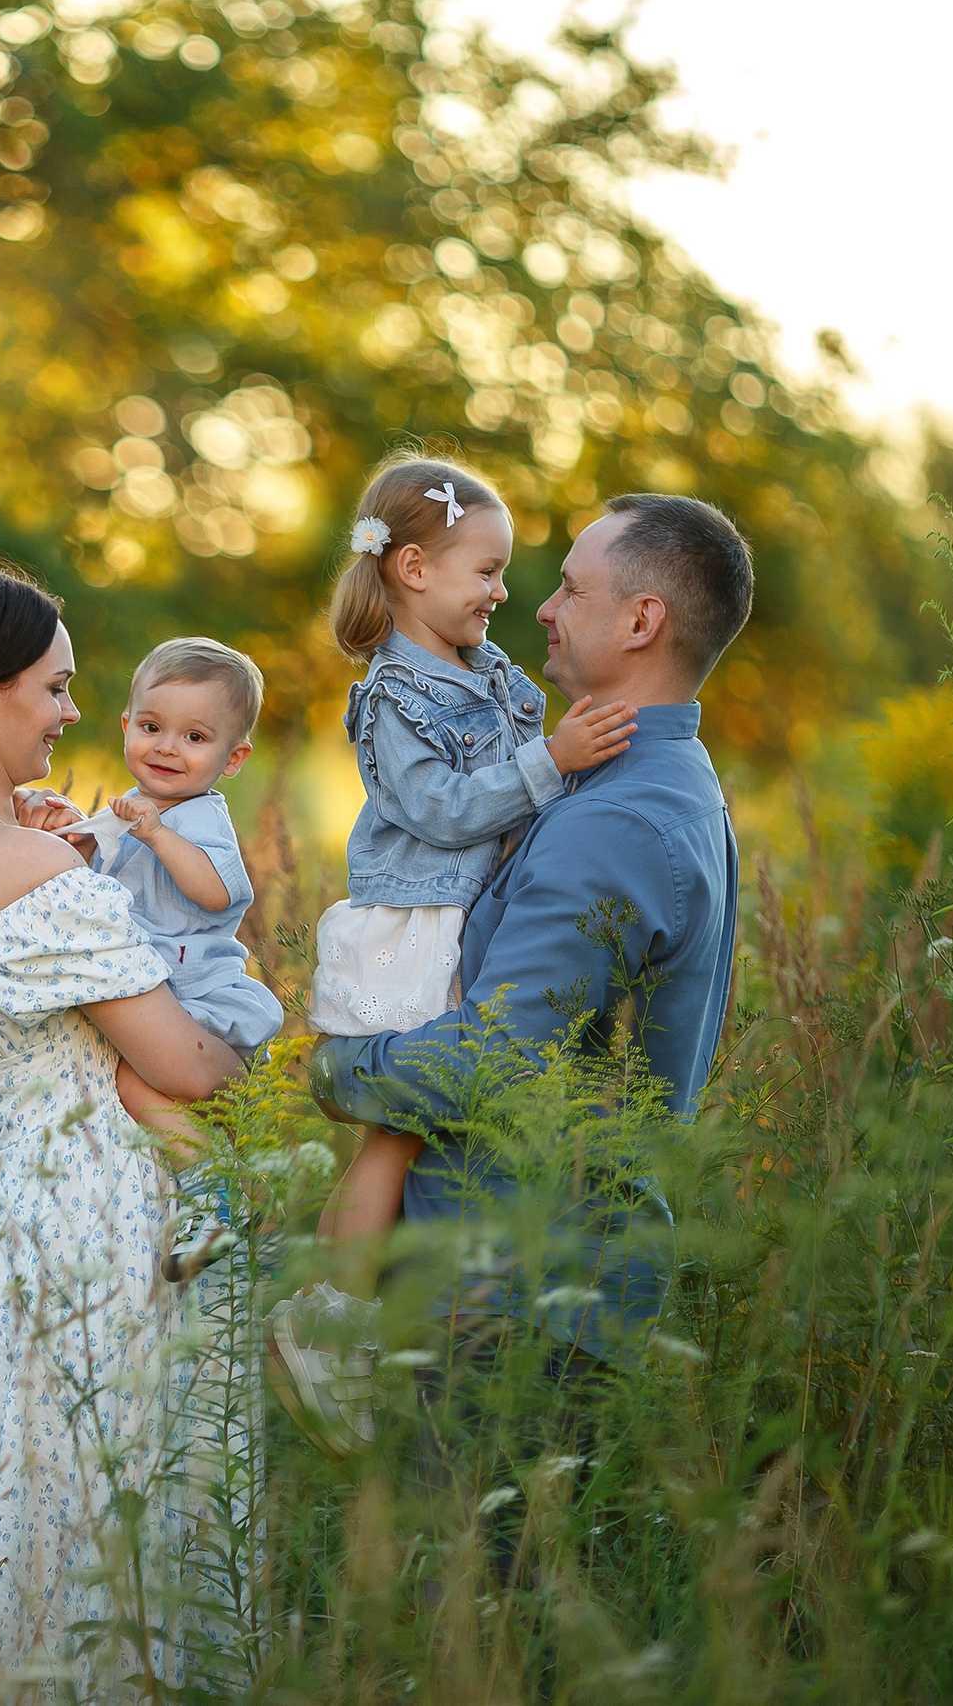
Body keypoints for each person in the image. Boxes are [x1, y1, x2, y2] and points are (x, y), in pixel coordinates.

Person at [0, 564, 246, 1705]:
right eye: (56, 688)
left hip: (15, 1221)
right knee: (111, 1519)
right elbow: (180, 1066)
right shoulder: (32, 872)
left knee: (23, 1510)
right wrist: (247, 1044)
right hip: (105, 1223)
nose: (74, 714)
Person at [302, 493, 752, 1435]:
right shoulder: (634, 782)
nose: (541, 606)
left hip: (515, 1302)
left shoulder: (617, 823)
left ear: (642, 621)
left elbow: (494, 1058)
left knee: (475, 1579)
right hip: (517, 1282)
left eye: (571, 587)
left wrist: (338, 1069)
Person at [299, 459, 633, 1311]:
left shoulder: (484, 669)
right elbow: (443, 811)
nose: (501, 593)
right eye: (485, 572)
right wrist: (551, 760)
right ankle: (328, 1319)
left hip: (465, 913)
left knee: (413, 1133)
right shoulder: (391, 697)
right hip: (421, 920)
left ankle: (360, 1306)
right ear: (412, 569)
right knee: (398, 1134)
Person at [61, 637, 284, 1281]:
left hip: (197, 994)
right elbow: (97, 887)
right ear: (126, 725)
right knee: (143, 1094)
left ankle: (218, 1196)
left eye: (194, 737)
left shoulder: (198, 818)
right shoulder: (133, 813)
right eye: (153, 727)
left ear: (232, 758)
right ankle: (233, 1202)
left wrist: (156, 833)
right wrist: (75, 835)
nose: (166, 748)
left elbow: (219, 892)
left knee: (135, 1084)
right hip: (159, 994)